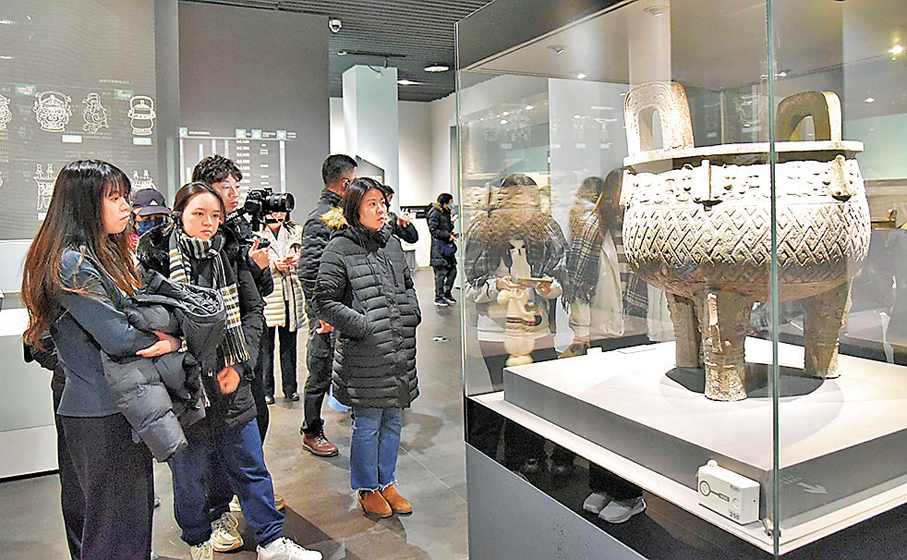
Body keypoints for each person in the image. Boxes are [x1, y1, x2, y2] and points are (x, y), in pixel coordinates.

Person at [137, 182, 320, 560]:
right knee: (190, 477)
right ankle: (198, 542)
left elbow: (253, 311)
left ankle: (271, 541)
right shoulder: (156, 266)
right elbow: (153, 325)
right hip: (185, 387)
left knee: (252, 466)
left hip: (231, 382)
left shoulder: (230, 256)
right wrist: (181, 347)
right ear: (179, 215)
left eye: (215, 216)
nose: (208, 224)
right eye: (198, 214)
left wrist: (239, 363)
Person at [21, 160, 181, 560]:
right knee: (115, 533)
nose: (126, 206)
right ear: (84, 205)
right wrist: (169, 340)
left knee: (116, 527)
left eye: (124, 196)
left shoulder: (92, 256)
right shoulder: (73, 262)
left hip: (108, 407)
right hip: (101, 413)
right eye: (114, 198)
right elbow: (118, 335)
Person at [314, 177, 421, 518]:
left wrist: (412, 314)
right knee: (369, 423)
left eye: (383, 203)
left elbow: (407, 284)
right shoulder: (339, 247)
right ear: (355, 208)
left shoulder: (391, 244)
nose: (380, 210)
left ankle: (387, 481)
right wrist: (361, 325)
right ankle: (366, 487)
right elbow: (325, 300)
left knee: (393, 420)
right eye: (372, 204)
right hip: (365, 354)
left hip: (398, 347)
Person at [462, 173, 572, 478]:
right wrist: (497, 285)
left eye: (526, 201)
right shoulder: (482, 232)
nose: (520, 209)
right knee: (504, 394)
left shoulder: (548, 229)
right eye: (513, 201)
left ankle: (531, 455)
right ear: (501, 202)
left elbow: (563, 275)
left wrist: (551, 288)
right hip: (497, 331)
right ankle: (505, 463)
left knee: (535, 397)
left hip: (538, 329)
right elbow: (470, 287)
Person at [192, 155, 274, 443]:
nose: (234, 193)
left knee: (258, 414)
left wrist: (256, 268)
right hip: (218, 348)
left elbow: (261, 292)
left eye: (236, 185)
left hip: (248, 340)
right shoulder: (196, 240)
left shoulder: (240, 229)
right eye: (225, 186)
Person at [297, 154, 357, 457]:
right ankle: (311, 430)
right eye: (354, 182)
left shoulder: (342, 212)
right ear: (345, 183)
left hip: (347, 311)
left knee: (351, 366)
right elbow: (308, 271)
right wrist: (321, 313)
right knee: (320, 370)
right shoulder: (322, 217)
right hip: (328, 314)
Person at [258, 211, 306, 404]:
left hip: (291, 296)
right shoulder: (257, 233)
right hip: (269, 297)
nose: (278, 215)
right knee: (266, 348)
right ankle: (267, 391)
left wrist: (297, 260)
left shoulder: (296, 231)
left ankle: (290, 388)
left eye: (281, 210)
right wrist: (272, 265)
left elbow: (307, 255)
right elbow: (252, 262)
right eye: (272, 211)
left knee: (289, 346)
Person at [426, 192, 457, 306]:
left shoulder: (446, 212)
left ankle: (447, 293)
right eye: (451, 202)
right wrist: (448, 236)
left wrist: (452, 230)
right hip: (439, 248)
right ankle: (439, 297)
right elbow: (434, 230)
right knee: (440, 274)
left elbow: (445, 227)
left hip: (447, 247)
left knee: (453, 271)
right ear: (445, 202)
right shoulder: (435, 213)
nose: (452, 204)